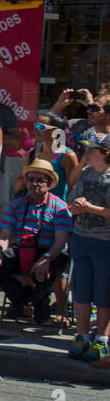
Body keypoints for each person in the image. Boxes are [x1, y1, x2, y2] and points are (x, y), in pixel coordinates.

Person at [0, 158, 71, 325]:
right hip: (23, 251)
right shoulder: (16, 206)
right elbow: (6, 235)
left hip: (51, 252)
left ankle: (32, 301)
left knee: (48, 269)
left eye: (40, 180)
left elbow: (61, 242)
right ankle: (22, 297)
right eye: (31, 179)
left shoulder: (60, 207)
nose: (34, 183)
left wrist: (46, 258)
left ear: (49, 184)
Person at [66, 134, 110, 364]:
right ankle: (82, 335)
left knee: (103, 291)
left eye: (92, 150)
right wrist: (76, 207)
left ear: (105, 153)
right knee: (81, 289)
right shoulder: (85, 175)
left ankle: (102, 338)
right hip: (82, 237)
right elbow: (70, 205)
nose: (88, 154)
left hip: (105, 241)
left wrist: (90, 207)